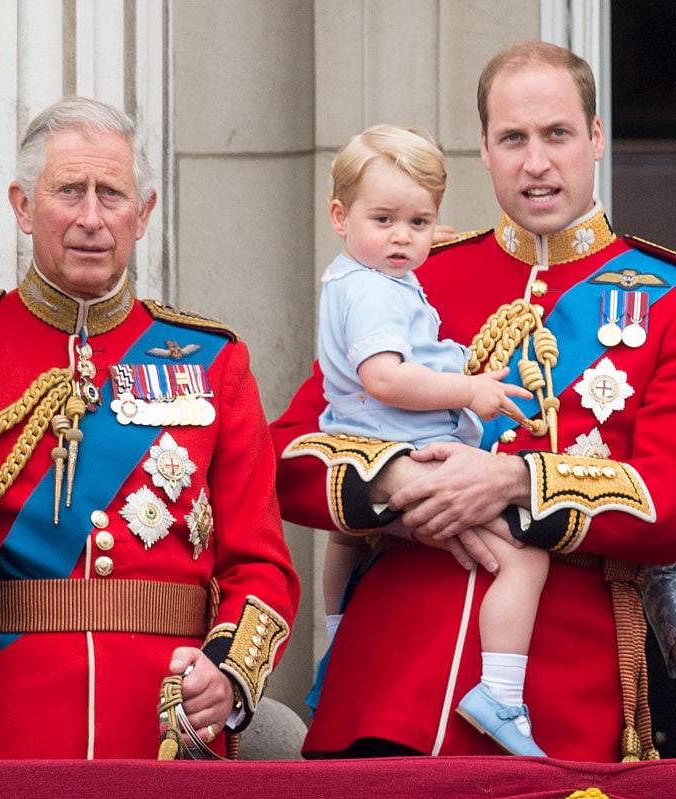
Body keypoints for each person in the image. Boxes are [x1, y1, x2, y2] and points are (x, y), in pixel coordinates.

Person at [271, 40, 675, 762]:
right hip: (384, 689)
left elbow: (668, 498)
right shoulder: (415, 274)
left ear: (597, 138)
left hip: (560, 703)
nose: (536, 162)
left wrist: (516, 480)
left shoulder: (665, 296)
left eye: (556, 134)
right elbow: (289, 453)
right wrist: (402, 483)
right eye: (513, 139)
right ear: (484, 148)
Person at [0, 96, 300, 759]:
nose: (91, 217)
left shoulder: (212, 358)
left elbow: (260, 563)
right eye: (69, 191)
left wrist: (229, 673)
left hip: (168, 720)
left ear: (142, 214)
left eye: (111, 194)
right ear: (24, 206)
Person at [315, 123, 547, 756]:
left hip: (360, 441)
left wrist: (409, 232)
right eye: (385, 219)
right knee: (524, 553)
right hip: (406, 446)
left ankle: (333, 643)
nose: (403, 237)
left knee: (346, 539)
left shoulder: (358, 272)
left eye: (419, 222)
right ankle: (500, 692)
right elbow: (383, 378)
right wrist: (470, 392)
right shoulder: (383, 286)